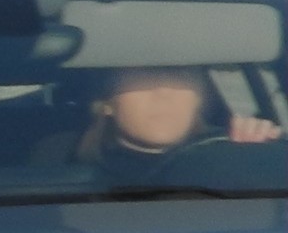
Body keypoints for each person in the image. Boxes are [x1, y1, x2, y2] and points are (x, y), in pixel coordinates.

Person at [73, 63, 282, 183]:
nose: (163, 92)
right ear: (107, 102)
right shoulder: (56, 164)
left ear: (198, 98)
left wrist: (259, 155)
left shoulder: (235, 149)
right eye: (142, 77)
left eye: (179, 77)